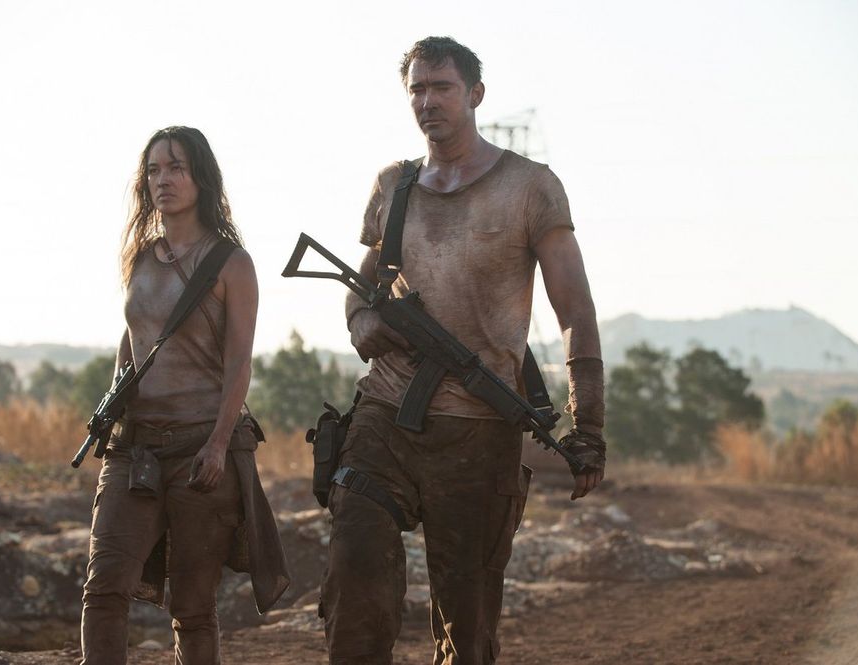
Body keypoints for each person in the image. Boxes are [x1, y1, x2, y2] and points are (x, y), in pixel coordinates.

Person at [320, 37, 606, 664]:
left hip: (479, 429)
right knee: (355, 570)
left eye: (442, 87)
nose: (428, 102)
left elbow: (575, 313)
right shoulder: (394, 185)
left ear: (475, 94)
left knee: (467, 625)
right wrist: (361, 321)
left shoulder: (530, 187)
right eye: (417, 90)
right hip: (386, 415)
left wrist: (588, 425)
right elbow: (361, 283)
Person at [80, 126, 289, 665]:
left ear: (201, 177)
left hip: (201, 448)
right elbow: (134, 340)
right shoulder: (138, 257)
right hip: (135, 448)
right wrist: (112, 404)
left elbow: (239, 362)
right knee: (104, 588)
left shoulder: (232, 263)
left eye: (176, 167)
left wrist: (218, 444)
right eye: (153, 170)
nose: (163, 180)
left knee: (193, 608)